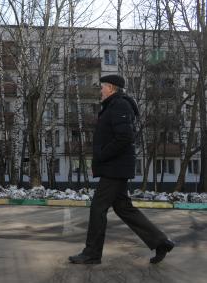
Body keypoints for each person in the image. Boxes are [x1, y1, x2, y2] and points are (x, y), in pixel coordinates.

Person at [69, 74, 174, 265]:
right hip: (115, 166)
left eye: (102, 87)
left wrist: (102, 154)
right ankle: (161, 242)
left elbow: (125, 137)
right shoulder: (113, 106)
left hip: (115, 168)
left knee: (98, 208)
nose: (100, 90)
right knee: (124, 208)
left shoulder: (119, 105)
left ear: (111, 87)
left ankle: (92, 253)